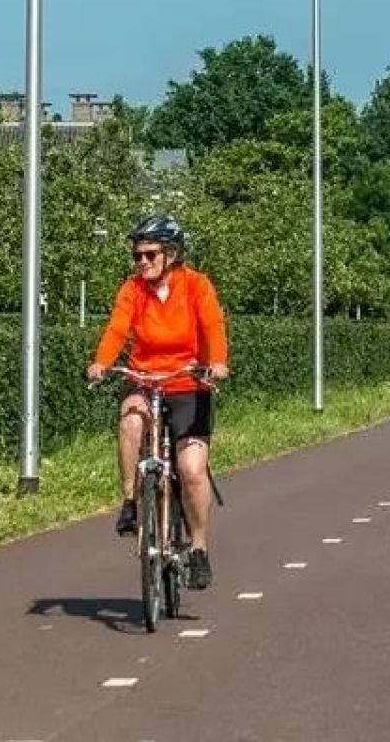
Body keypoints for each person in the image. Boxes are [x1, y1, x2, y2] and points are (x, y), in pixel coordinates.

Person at [86, 214, 230, 590]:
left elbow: (213, 325)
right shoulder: (132, 290)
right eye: (137, 256)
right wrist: (102, 363)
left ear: (171, 254)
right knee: (131, 421)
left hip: (188, 381)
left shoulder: (196, 285)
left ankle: (198, 549)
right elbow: (118, 328)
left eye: (150, 254)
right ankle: (131, 502)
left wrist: (216, 362)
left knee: (192, 468)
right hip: (144, 378)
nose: (142, 262)